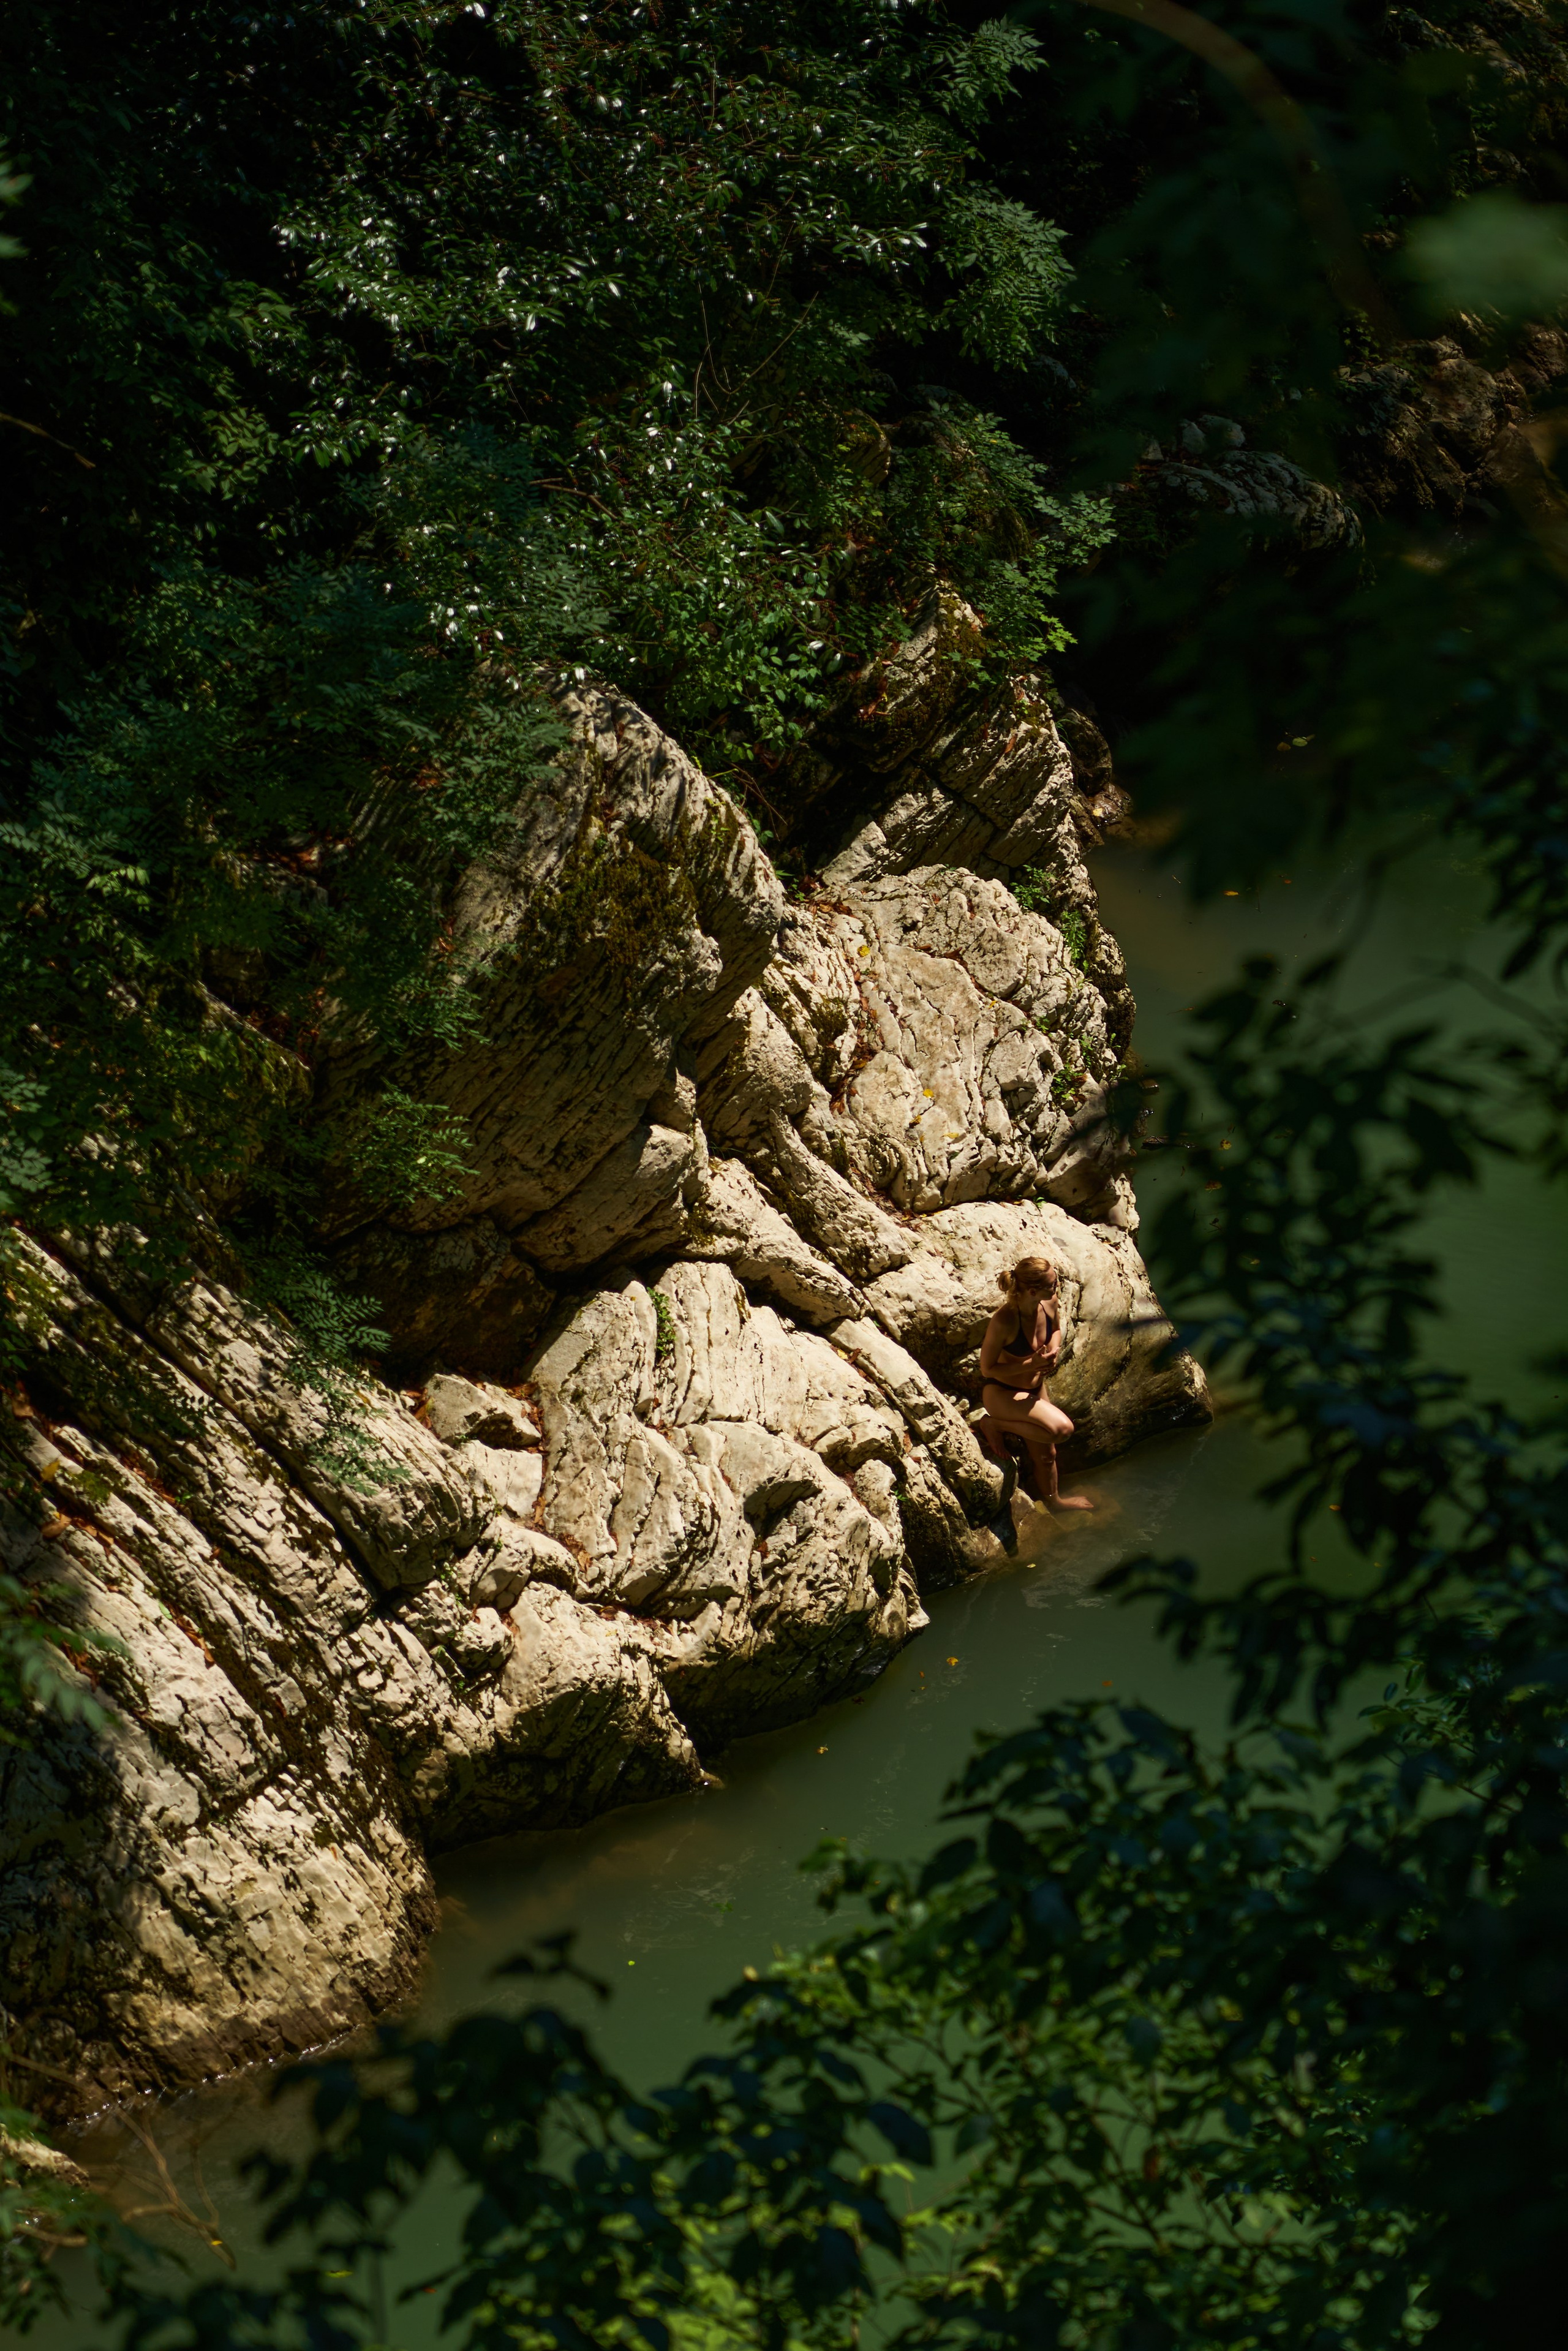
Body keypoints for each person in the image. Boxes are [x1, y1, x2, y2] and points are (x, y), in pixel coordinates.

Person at [977, 1255, 1096, 1511]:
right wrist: (1030, 1365)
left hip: (1034, 1388)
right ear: (1032, 1290)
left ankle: (1055, 1502)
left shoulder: (1048, 1303)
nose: (1057, 1287)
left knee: (1047, 1455)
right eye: (1053, 1284)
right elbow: (987, 1369)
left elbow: (1055, 1329)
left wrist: (1053, 1351)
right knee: (1062, 1430)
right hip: (1002, 1393)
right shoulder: (1005, 1321)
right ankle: (993, 1424)